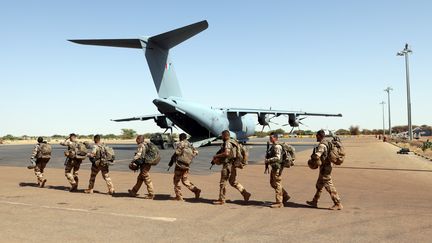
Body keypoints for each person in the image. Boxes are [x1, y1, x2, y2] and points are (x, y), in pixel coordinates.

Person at [306, 130, 343, 210]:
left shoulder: (322, 145)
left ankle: (338, 203)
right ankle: (314, 201)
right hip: (326, 166)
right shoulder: (327, 142)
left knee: (329, 185)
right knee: (319, 184)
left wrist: (312, 159)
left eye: (317, 135)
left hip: (326, 167)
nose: (316, 137)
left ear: (319, 136)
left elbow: (317, 155)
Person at [212, 130, 251, 205]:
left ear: (224, 135)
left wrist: (216, 156)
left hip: (227, 165)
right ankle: (245, 193)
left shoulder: (227, 143)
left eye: (222, 136)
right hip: (233, 164)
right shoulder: (234, 141)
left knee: (222, 182)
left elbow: (226, 153)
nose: (221, 137)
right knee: (233, 181)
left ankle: (221, 199)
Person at [170, 133, 201, 201]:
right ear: (186, 137)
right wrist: (189, 158)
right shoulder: (190, 144)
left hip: (180, 165)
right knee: (185, 180)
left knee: (176, 180)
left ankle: (179, 196)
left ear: (180, 137)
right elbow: (196, 152)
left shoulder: (181, 143)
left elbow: (177, 153)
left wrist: (172, 160)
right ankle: (196, 190)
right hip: (187, 165)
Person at [265, 133, 291, 208]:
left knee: (277, 183)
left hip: (277, 167)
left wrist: (268, 160)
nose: (270, 139)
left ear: (275, 138)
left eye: (271, 138)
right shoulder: (273, 146)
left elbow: (278, 157)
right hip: (274, 167)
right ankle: (285, 195)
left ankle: (279, 202)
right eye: (270, 138)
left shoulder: (277, 147)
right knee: (273, 183)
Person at [128, 135, 155, 199]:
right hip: (147, 163)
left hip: (145, 164)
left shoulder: (141, 145)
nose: (136, 140)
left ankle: (151, 194)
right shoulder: (146, 144)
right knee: (140, 178)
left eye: (137, 139)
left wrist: (133, 161)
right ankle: (133, 191)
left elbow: (138, 155)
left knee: (146, 178)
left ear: (140, 139)